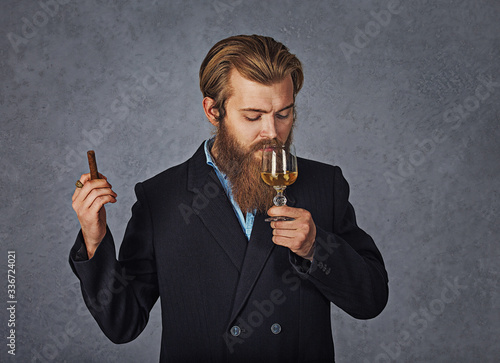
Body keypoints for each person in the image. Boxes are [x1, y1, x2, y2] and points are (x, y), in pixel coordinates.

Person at [69, 34, 388, 362]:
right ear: (213, 110)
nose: (273, 133)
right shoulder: (160, 197)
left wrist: (315, 248)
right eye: (253, 116)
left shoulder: (323, 184)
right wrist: (95, 241)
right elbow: (123, 323)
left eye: (284, 113)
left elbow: (372, 299)